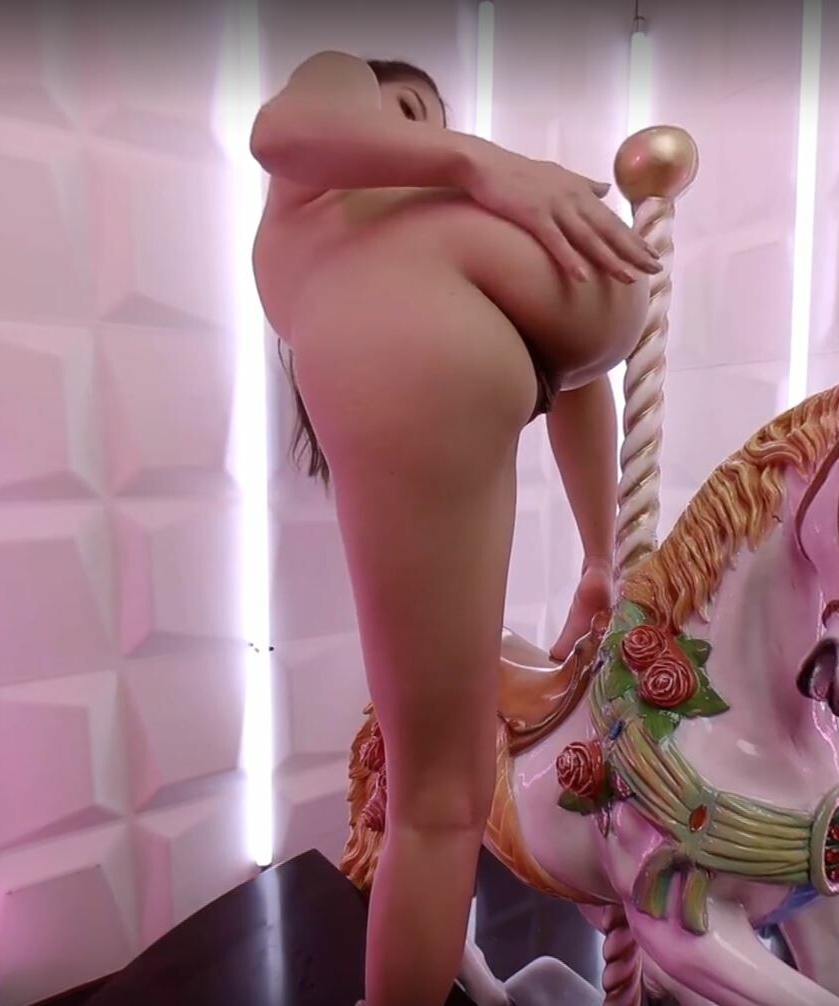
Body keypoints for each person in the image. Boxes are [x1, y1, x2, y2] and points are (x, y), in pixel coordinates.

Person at [249, 52, 655, 1005]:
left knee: (446, 794)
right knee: (437, 800)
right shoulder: (332, 178)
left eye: (438, 123)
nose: (425, 140)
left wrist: (600, 558)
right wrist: (485, 164)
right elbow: (282, 132)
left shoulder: (399, 241)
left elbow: (574, 378)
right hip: (422, 354)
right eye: (407, 113)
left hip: (492, 358)